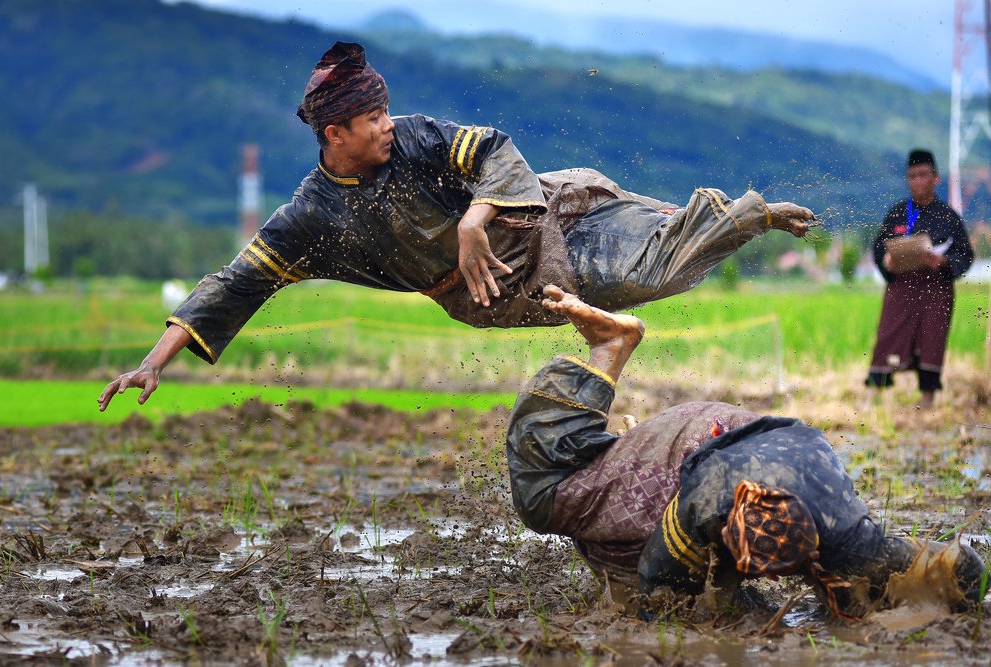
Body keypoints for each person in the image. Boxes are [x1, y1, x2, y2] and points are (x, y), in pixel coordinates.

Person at [98, 41, 815, 412]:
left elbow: (495, 148)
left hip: (544, 208)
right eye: (371, 119)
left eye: (386, 112)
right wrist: (155, 361)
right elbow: (237, 281)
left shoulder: (414, 137)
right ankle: (735, 216)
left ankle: (738, 216)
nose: (385, 125)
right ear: (335, 133)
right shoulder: (313, 214)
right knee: (649, 276)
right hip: (501, 290)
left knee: (649, 252)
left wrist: (476, 215)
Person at [506, 284, 986, 619]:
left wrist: (961, 582)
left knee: (857, 573)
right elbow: (661, 597)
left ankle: (618, 452)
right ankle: (610, 348)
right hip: (696, 444)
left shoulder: (845, 535)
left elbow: (943, 567)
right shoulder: (708, 500)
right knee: (545, 497)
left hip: (740, 439)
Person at [865, 149, 974, 410]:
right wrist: (887, 261)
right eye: (912, 176)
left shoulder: (949, 217)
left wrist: (945, 262)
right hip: (901, 288)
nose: (917, 181)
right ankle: (871, 399)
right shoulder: (897, 213)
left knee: (932, 341)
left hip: (936, 290)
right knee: (888, 337)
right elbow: (879, 247)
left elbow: (965, 255)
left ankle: (927, 403)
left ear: (935, 178)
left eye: (923, 175)